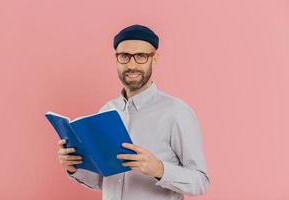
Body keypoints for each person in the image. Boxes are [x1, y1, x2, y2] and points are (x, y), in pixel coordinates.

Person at [57, 24, 210, 200]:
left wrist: (159, 169)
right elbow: (102, 181)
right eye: (124, 56)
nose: (131, 65)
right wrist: (73, 167)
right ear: (116, 59)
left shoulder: (177, 112)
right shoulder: (106, 110)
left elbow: (201, 182)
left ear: (154, 59)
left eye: (141, 56)